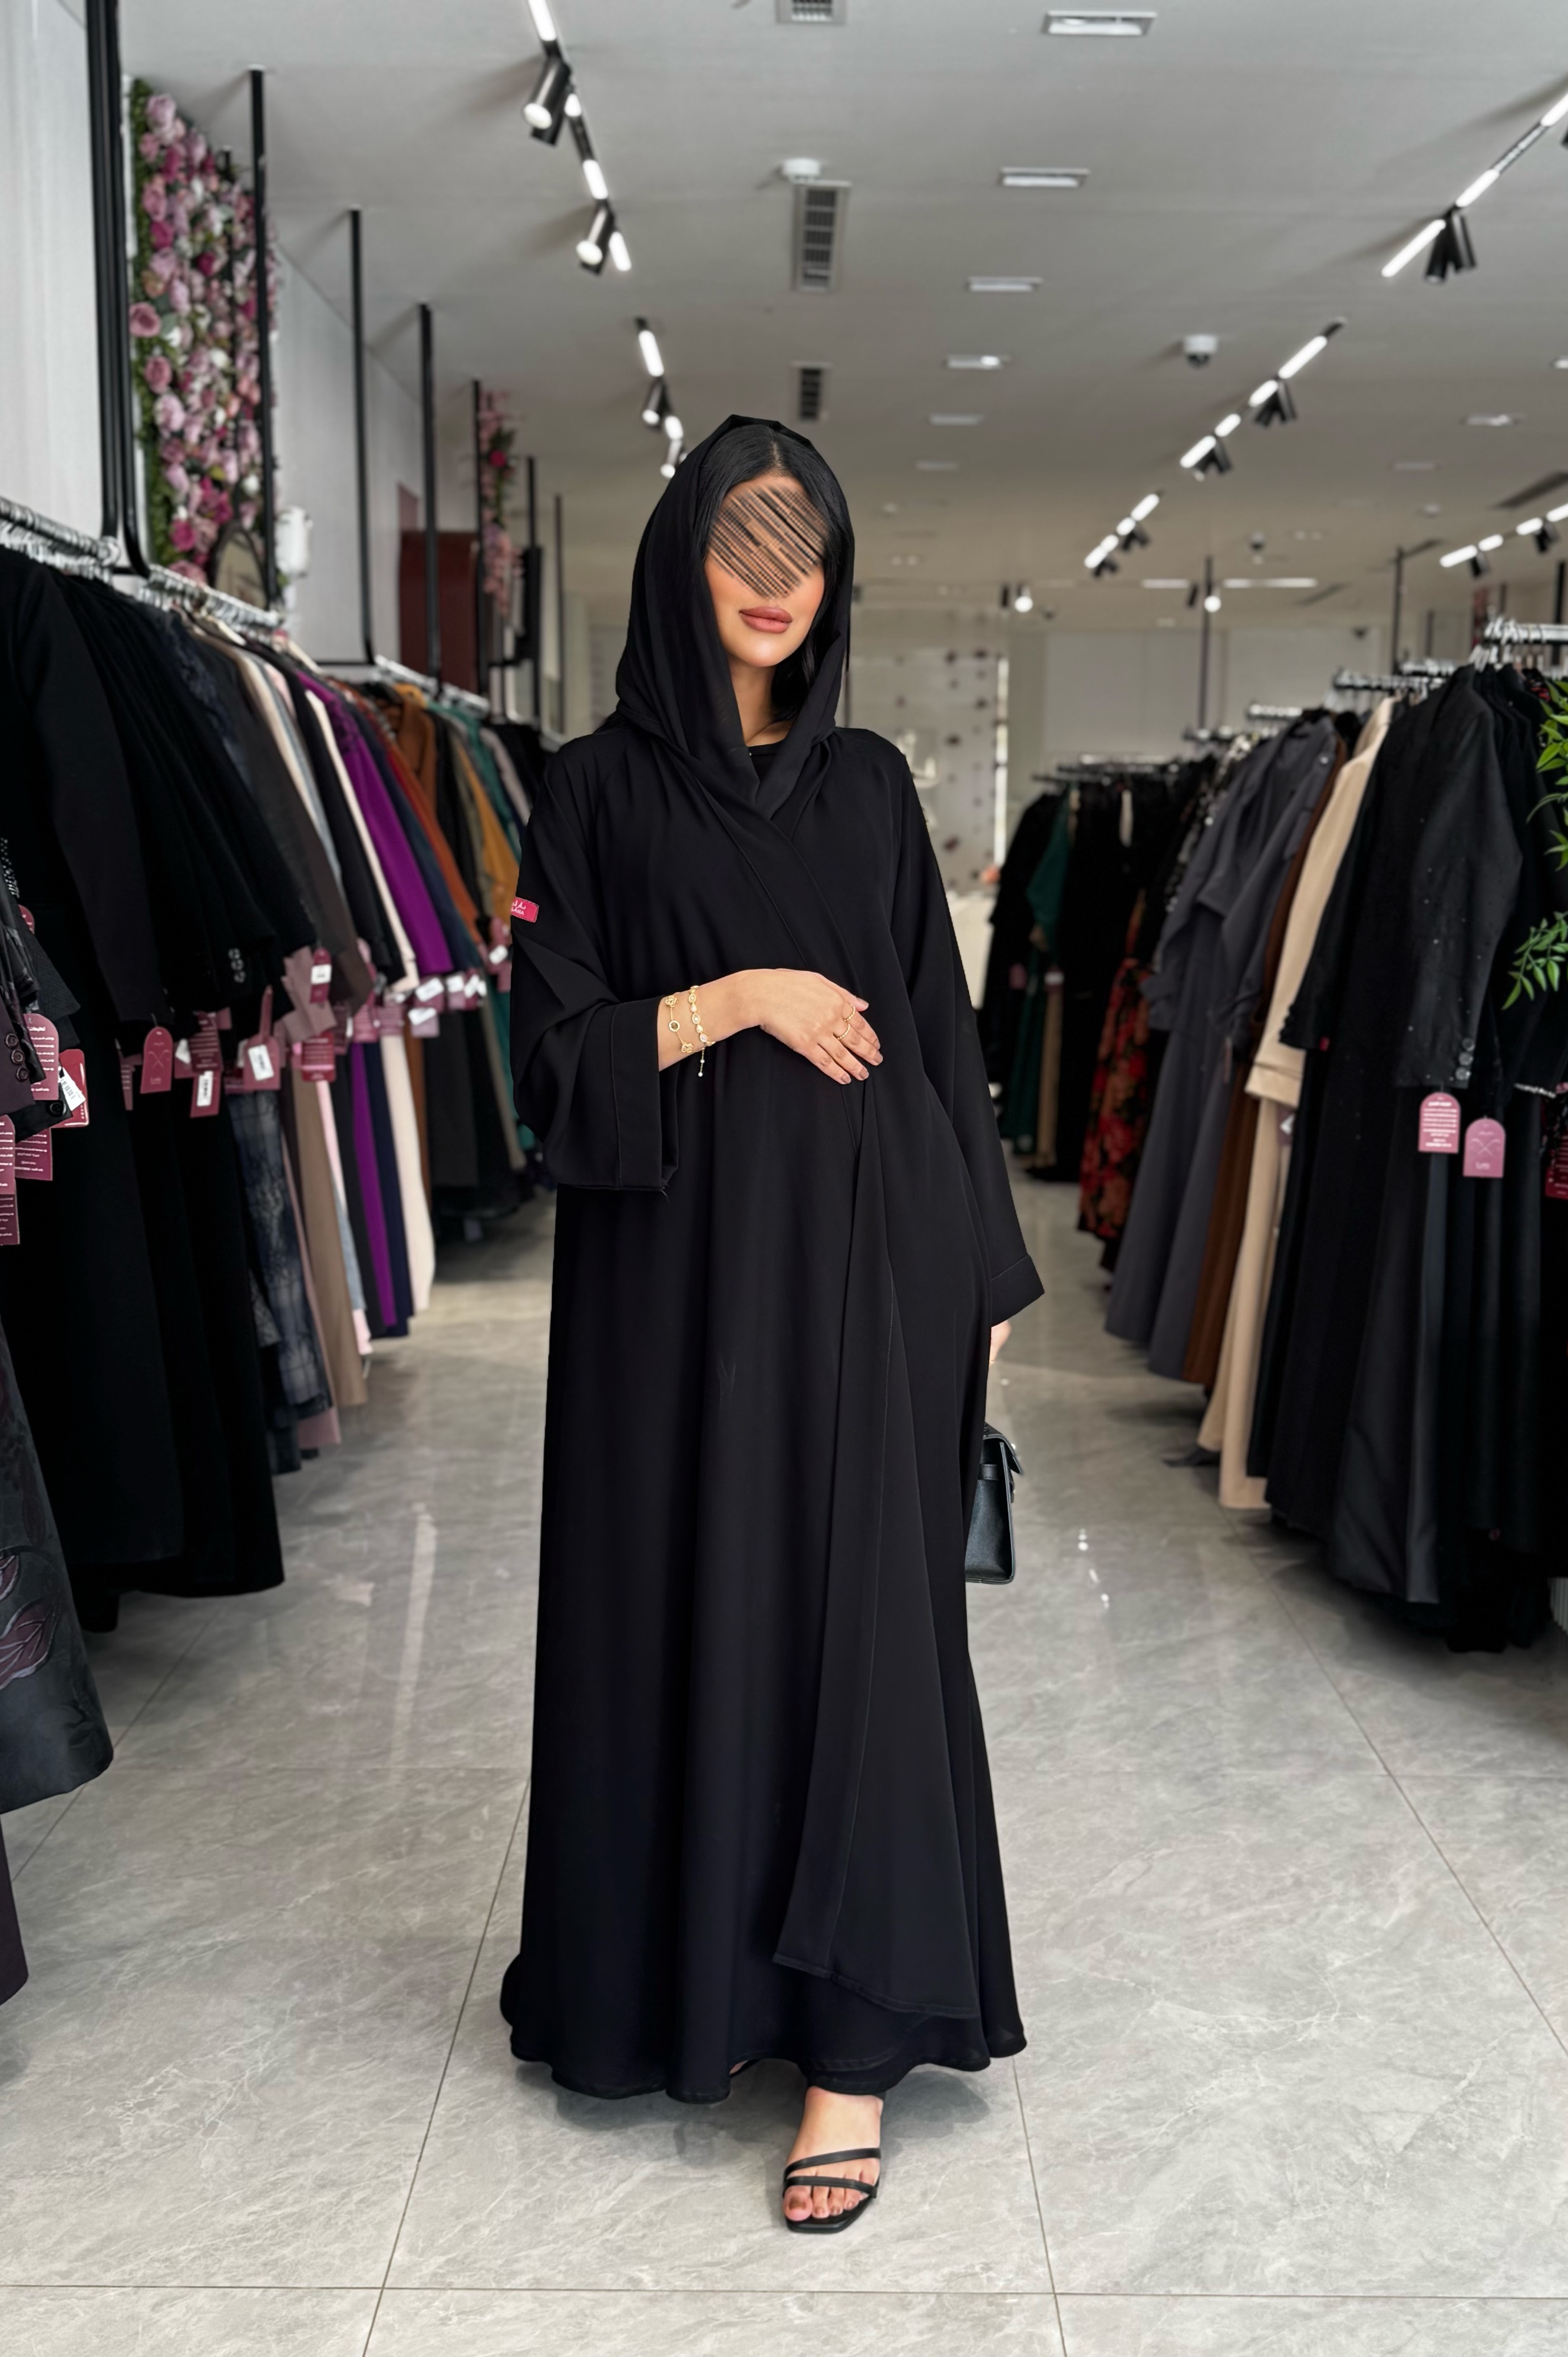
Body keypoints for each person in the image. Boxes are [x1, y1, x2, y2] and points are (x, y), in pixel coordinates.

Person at [500, 414, 1041, 2233]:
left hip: (867, 1274)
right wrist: (735, 997)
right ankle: (680, 1992)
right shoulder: (589, 793)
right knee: (669, 1609)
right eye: (743, 538)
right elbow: (548, 1051)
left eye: (804, 545)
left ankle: (849, 2052)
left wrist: (980, 1282)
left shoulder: (872, 788)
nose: (773, 577)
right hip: (664, 1292)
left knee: (856, 1629)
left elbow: (943, 1050)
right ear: (682, 558)